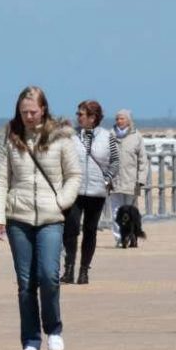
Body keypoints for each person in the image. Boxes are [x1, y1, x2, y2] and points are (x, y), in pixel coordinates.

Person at [0, 86, 81, 350]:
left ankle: (53, 329)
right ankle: (31, 339)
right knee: (26, 282)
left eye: (32, 111)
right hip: (18, 216)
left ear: (43, 109)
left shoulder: (61, 137)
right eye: (23, 112)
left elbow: (74, 175)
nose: (28, 116)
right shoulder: (11, 138)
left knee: (48, 276)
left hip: (51, 216)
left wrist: (61, 201)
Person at [61, 100, 119, 285]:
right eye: (77, 114)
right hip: (74, 190)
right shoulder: (71, 136)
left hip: (97, 191)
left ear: (93, 117)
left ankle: (84, 270)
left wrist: (107, 178)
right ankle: (68, 268)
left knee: (90, 230)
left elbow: (115, 161)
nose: (78, 117)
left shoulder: (107, 136)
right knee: (70, 229)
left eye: (81, 114)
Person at [109, 109, 149, 246]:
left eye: (122, 119)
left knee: (131, 212)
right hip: (114, 180)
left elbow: (143, 160)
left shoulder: (136, 136)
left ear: (128, 120)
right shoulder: (110, 135)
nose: (119, 121)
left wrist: (141, 179)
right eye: (117, 119)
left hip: (132, 181)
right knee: (116, 212)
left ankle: (132, 237)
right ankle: (119, 239)